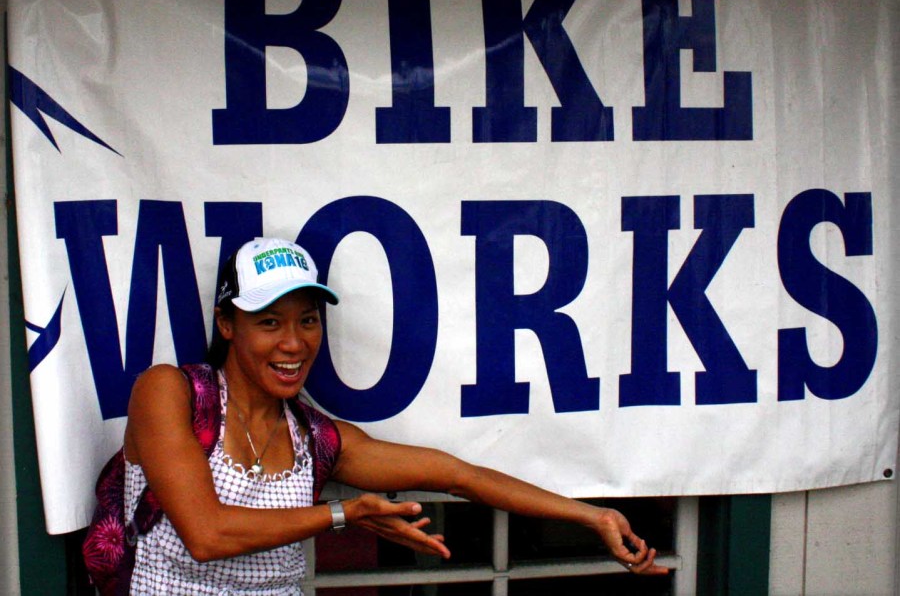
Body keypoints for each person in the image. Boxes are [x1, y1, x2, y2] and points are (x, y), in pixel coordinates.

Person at [123, 237, 667, 593]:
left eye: (308, 320)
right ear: (226, 324)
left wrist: (590, 516)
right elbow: (207, 535)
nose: (294, 343)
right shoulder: (171, 393)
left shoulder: (315, 439)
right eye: (269, 323)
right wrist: (343, 514)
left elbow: (459, 476)